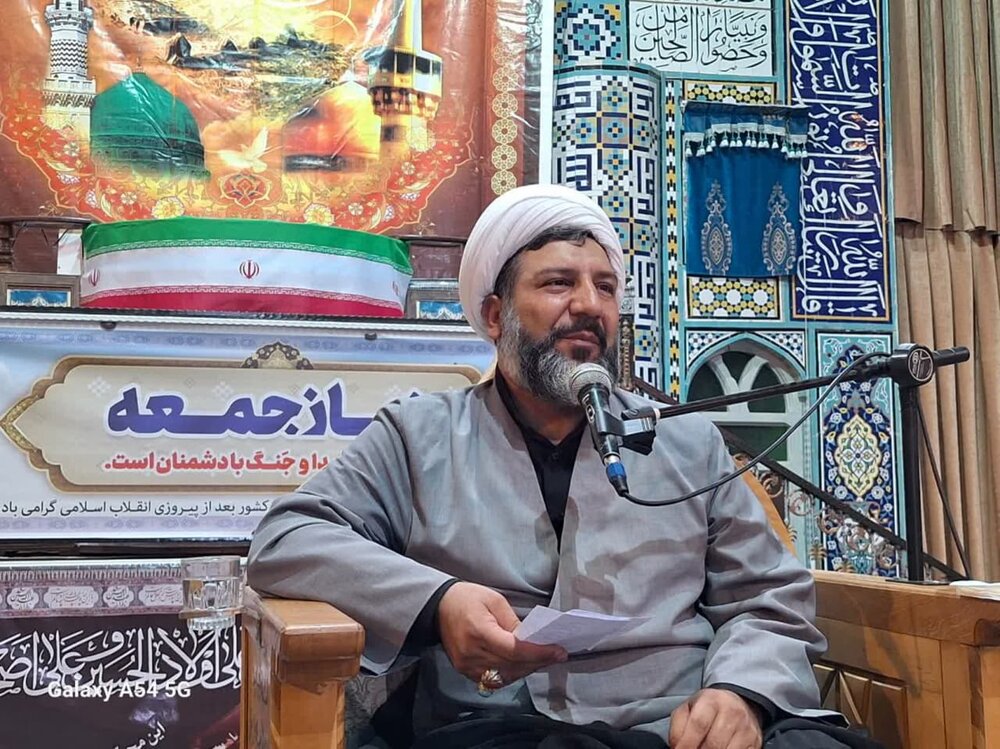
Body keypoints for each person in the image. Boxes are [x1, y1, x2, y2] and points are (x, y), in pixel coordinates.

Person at [248, 185, 881, 749]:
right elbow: (287, 539)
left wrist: (741, 692)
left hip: (679, 724)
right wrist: (439, 600)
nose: (588, 305)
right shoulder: (418, 435)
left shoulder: (687, 441)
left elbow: (767, 597)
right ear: (494, 315)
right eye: (558, 283)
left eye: (605, 287)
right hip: (502, 725)